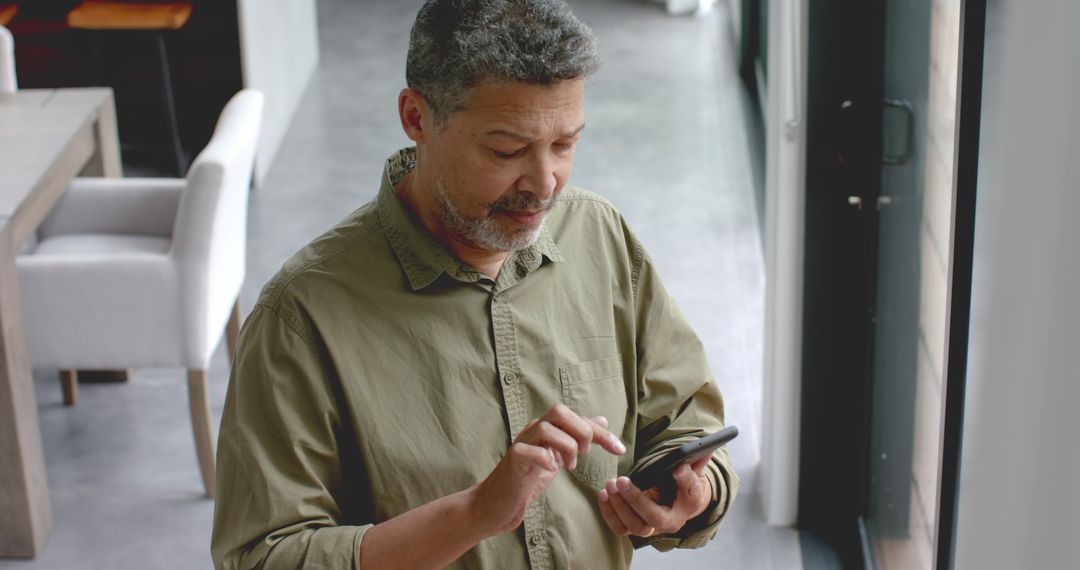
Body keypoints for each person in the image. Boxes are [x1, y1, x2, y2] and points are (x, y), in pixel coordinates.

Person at [211, 1, 739, 568]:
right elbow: (264, 556)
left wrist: (693, 495)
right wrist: (473, 515)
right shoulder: (302, 314)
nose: (544, 184)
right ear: (417, 117)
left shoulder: (600, 235)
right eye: (506, 150)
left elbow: (686, 421)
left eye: (565, 144)